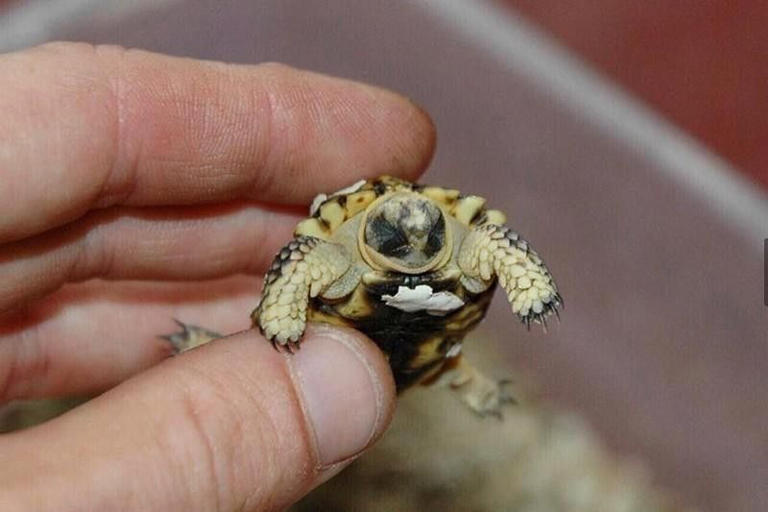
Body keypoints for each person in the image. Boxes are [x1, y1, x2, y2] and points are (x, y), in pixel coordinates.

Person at [0, 42, 436, 511]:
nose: (407, 245)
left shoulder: (447, 245)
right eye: (393, 232)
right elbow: (301, 265)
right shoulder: (328, 253)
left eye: (424, 234)